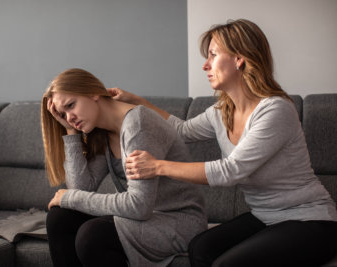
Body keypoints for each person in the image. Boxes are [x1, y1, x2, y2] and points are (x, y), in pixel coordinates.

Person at [108, 19, 337, 267]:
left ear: (239, 59)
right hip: (264, 217)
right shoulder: (222, 111)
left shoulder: (276, 110)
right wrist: (136, 101)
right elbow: (181, 130)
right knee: (200, 248)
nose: (205, 65)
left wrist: (157, 166)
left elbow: (230, 170)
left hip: (311, 222)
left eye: (213, 55)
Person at [41, 68, 207, 267]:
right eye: (63, 114)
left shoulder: (137, 125)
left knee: (92, 236)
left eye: (71, 105)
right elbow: (81, 188)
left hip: (178, 223)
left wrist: (70, 197)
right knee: (60, 218)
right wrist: (70, 133)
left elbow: (139, 206)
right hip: (145, 219)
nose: (70, 117)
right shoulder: (103, 132)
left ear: (93, 92)